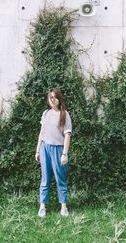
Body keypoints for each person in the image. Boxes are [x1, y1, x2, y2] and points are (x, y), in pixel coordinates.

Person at [35, 88, 72, 217]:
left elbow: (67, 135)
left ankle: (63, 206)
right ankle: (42, 207)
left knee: (60, 179)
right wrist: (38, 150)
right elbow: (42, 133)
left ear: (59, 99)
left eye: (55, 97)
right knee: (45, 179)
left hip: (58, 150)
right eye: (50, 97)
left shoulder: (65, 114)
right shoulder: (45, 113)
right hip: (45, 148)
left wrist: (64, 154)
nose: (52, 99)